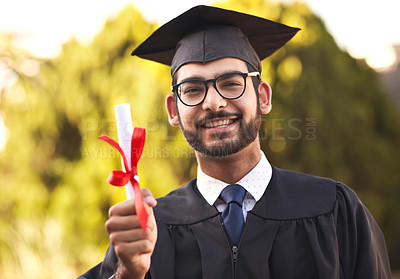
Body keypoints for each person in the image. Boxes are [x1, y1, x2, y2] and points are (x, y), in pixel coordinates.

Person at [78, 5, 391, 279]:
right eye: (192, 89)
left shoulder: (334, 209)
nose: (213, 102)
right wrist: (128, 274)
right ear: (173, 110)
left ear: (263, 97)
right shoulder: (149, 228)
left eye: (230, 83)